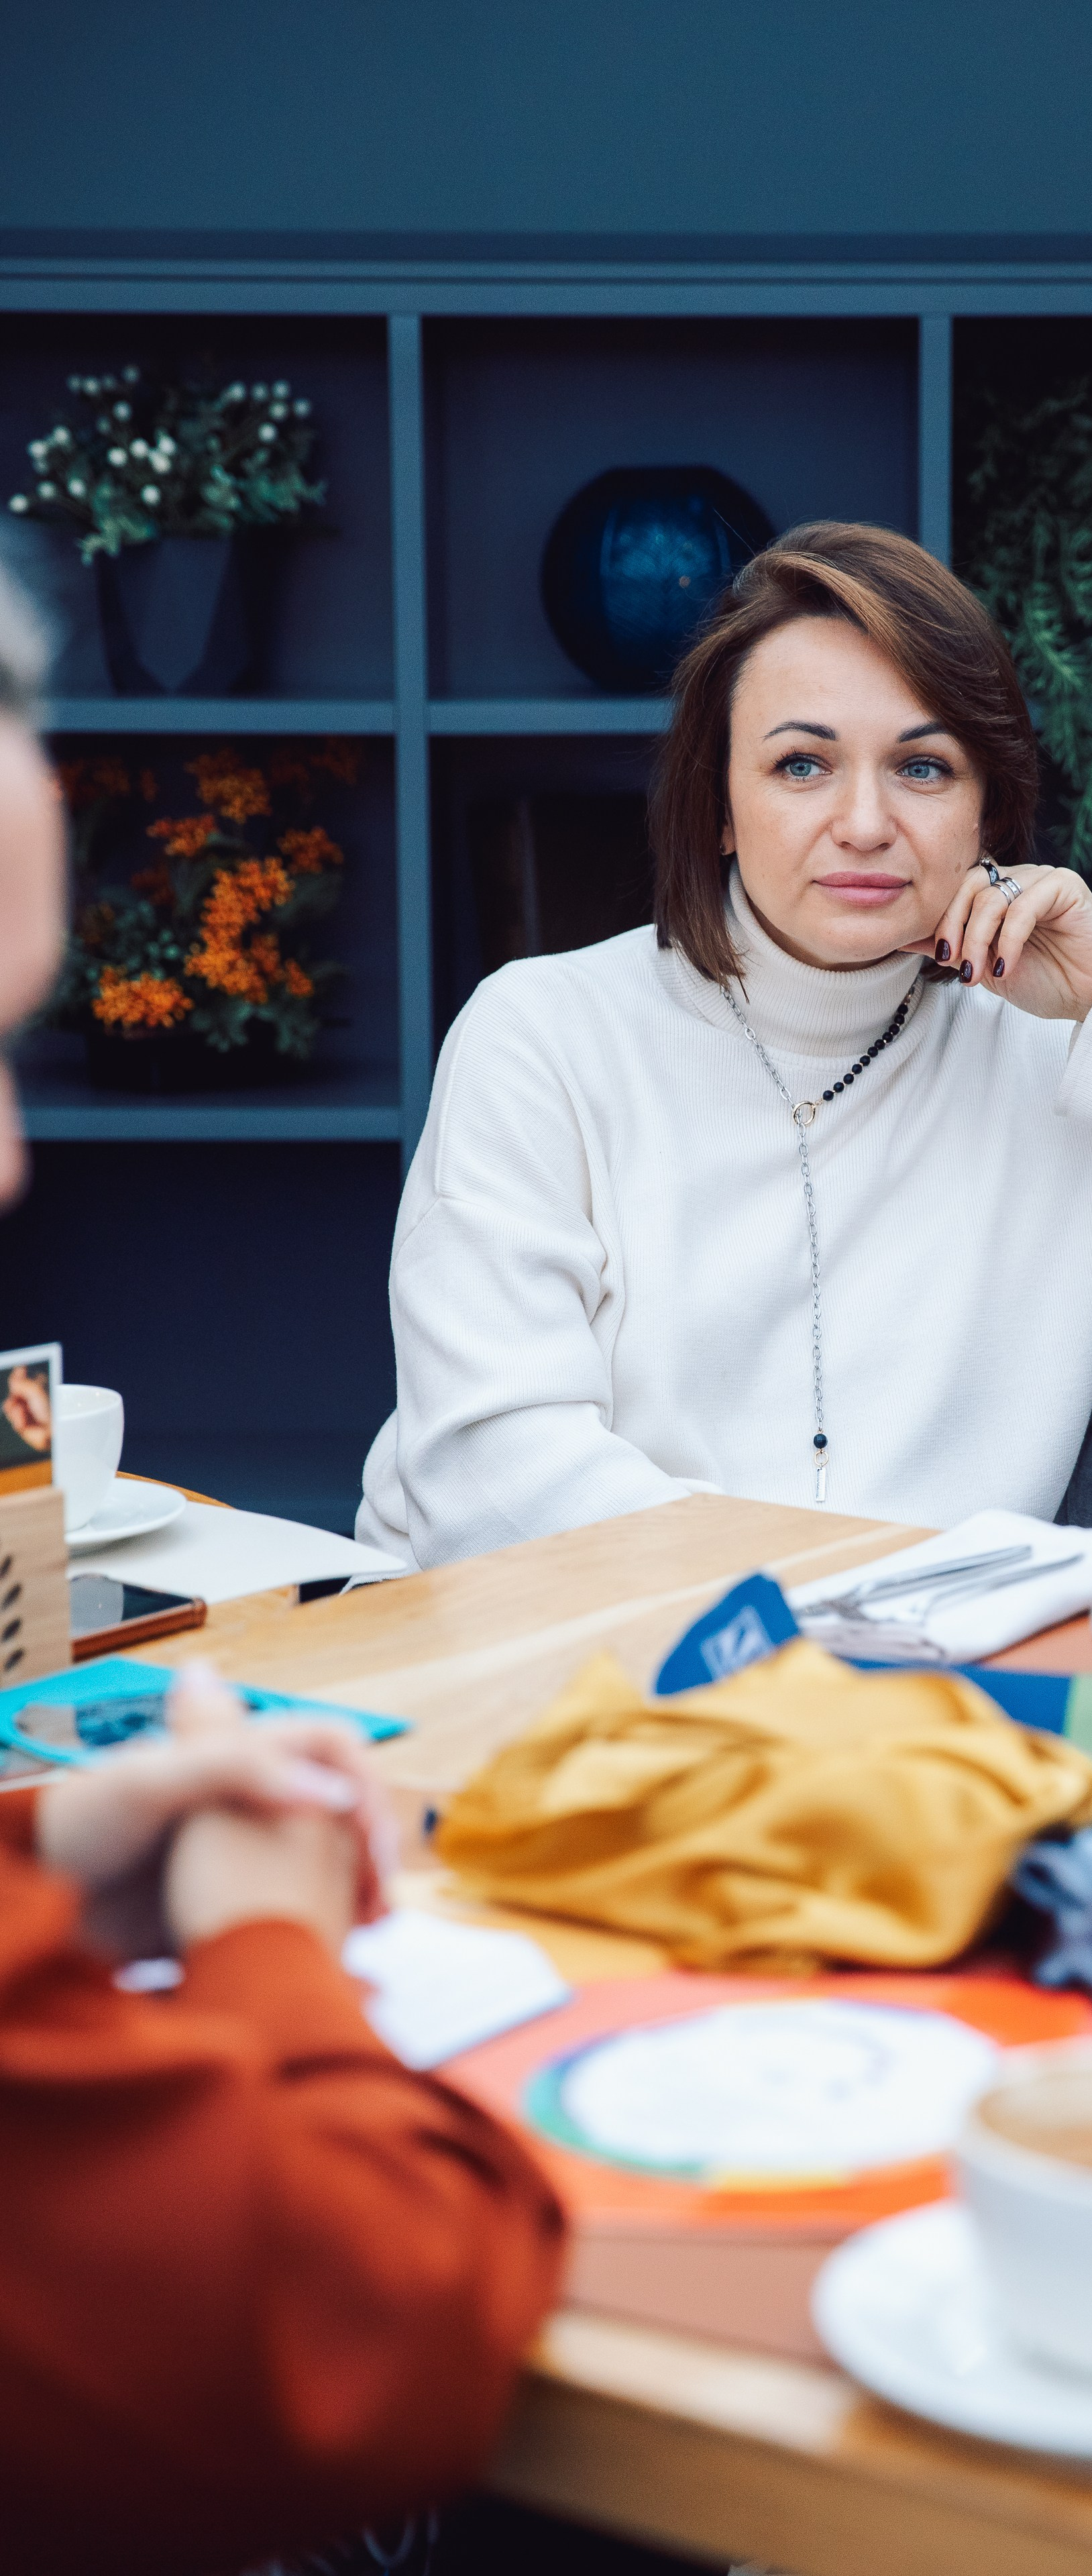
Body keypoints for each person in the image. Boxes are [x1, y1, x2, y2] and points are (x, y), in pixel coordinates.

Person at [360, 523, 1092, 1572]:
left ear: (989, 809)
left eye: (924, 769)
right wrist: (843, 1610)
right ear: (721, 809)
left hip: (934, 1689)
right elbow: (494, 1484)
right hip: (575, 1665)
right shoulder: (542, 1033)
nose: (867, 823)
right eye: (802, 766)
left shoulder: (1065, 1057)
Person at [0, 559, 568, 2575]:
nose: (8, 1157)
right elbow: (370, 2316)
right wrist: (266, 1943)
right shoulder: (548, 1032)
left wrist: (52, 1854)